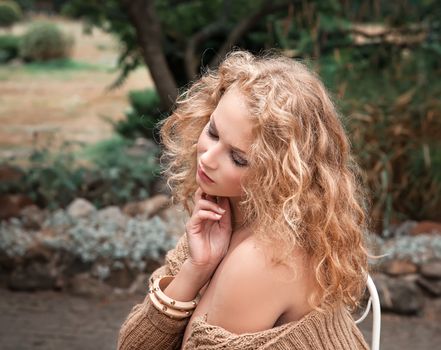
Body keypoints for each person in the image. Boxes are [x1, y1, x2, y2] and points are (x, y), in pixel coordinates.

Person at [117, 50, 370, 350]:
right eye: (212, 132)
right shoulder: (226, 212)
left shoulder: (265, 257)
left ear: (281, 175)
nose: (208, 158)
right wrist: (195, 270)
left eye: (238, 158)